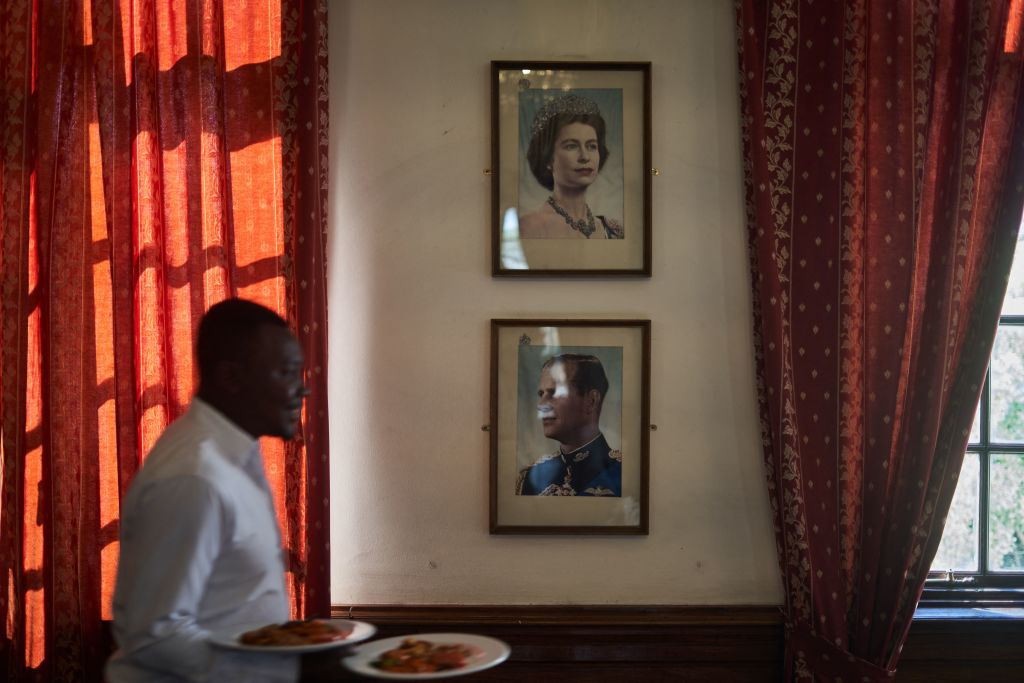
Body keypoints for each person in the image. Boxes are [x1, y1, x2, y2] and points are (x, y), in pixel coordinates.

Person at [106, 298, 310, 683]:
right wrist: (293, 668)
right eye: (285, 373)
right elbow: (153, 636)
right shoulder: (194, 477)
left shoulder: (236, 454)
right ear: (231, 378)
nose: (303, 391)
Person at [518, 93, 625, 240]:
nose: (585, 156)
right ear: (548, 158)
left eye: (592, 146)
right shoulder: (527, 228)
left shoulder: (613, 230)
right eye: (571, 146)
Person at [516, 353, 622, 496]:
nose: (541, 405)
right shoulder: (529, 478)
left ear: (591, 401)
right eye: (541, 394)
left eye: (555, 393)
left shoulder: (622, 472)